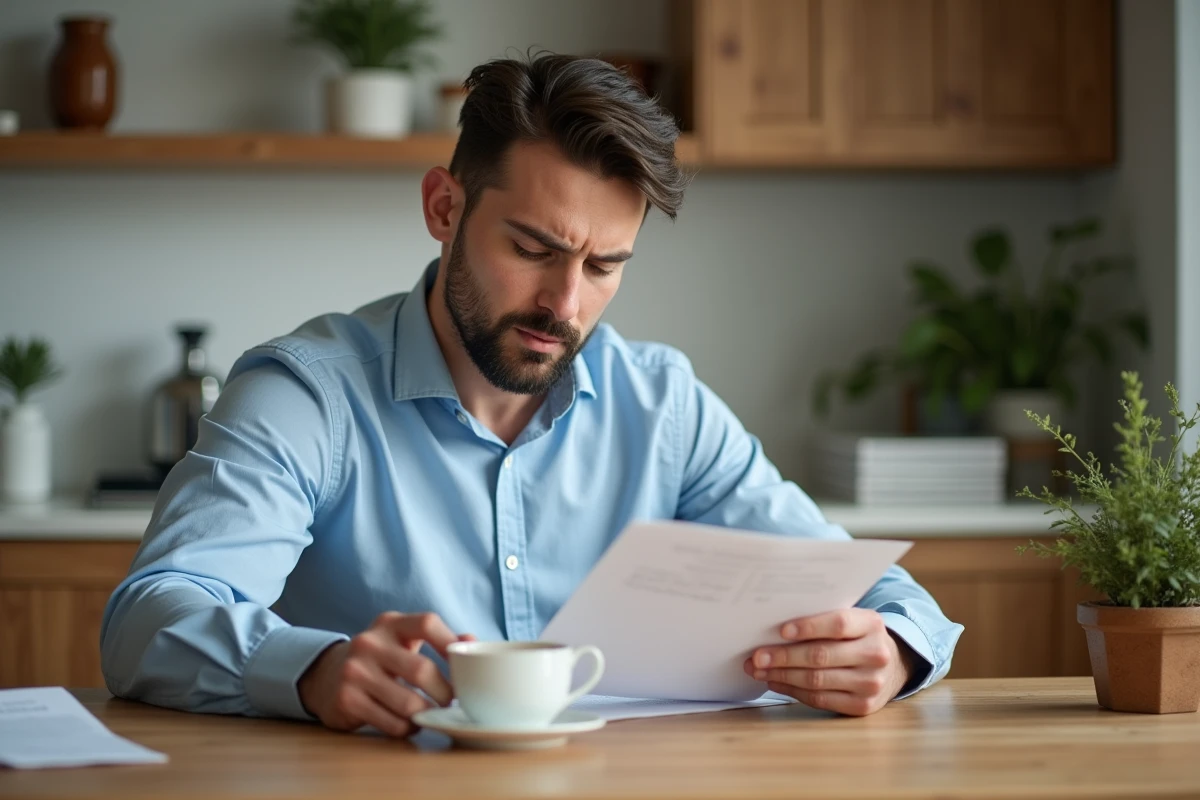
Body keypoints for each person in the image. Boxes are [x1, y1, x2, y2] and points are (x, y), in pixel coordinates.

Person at [101, 53, 963, 737]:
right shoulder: (308, 396)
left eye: (604, 266)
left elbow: (882, 595)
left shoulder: (662, 405)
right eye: (534, 248)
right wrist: (314, 669)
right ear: (445, 207)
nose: (566, 303)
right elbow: (148, 621)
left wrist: (889, 651)